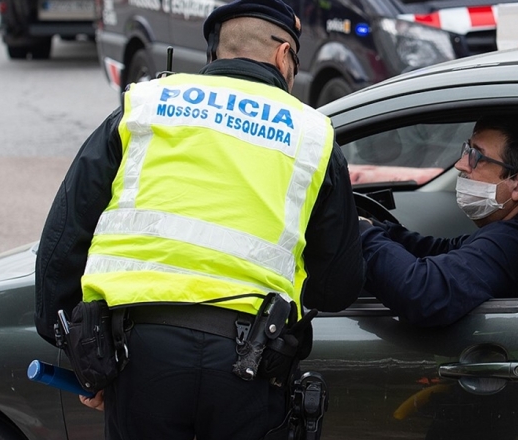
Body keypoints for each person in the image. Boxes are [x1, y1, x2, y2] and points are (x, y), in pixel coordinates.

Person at [33, 0, 365, 438]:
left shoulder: (145, 105)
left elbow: (62, 241)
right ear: (284, 55)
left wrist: (86, 361)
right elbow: (338, 286)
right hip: (249, 364)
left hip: (138, 355)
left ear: (215, 52)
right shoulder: (313, 135)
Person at [358, 113, 518, 327]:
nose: (461, 164)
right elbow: (444, 250)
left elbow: (425, 295)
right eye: (467, 150)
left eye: (477, 156)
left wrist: (359, 233)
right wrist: (376, 228)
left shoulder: (513, 242)